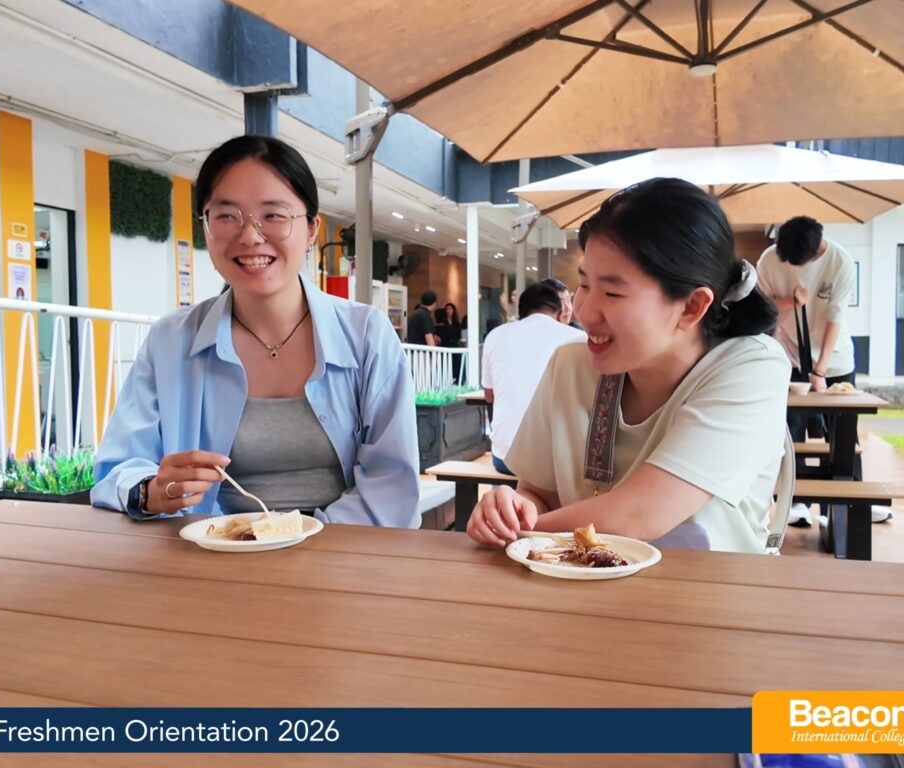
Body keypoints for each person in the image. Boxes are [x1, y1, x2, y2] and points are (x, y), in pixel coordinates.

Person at [91, 135, 420, 527]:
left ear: (311, 229)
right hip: (208, 551)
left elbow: (391, 486)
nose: (249, 235)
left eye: (274, 215)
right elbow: (119, 469)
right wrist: (150, 491)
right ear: (205, 227)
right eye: (226, 216)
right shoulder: (171, 341)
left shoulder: (366, 336)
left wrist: (294, 537)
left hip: (340, 550)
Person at [466, 178, 790, 554]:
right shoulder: (571, 365)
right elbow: (539, 494)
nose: (585, 311)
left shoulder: (753, 367)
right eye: (584, 285)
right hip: (579, 585)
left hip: (712, 588)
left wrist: (522, 535)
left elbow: (639, 514)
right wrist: (511, 512)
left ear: (691, 306)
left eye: (613, 292)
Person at [755, 216, 885, 525]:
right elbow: (761, 307)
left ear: (816, 251)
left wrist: (821, 369)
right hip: (788, 355)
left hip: (834, 359)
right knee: (790, 429)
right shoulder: (770, 259)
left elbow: (835, 317)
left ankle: (847, 504)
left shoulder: (840, 261)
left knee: (842, 433)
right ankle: (796, 502)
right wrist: (790, 301)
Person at [481, 283, 585, 475]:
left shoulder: (495, 335)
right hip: (558, 463)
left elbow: (489, 396)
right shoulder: (578, 338)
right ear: (559, 313)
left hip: (504, 458)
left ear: (521, 313)